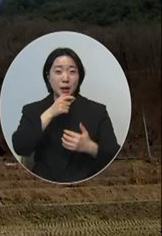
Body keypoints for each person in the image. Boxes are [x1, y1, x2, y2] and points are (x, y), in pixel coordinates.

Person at [11, 47, 120, 183]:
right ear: (48, 76)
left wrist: (89, 147)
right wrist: (50, 113)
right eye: (58, 71)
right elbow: (20, 146)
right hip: (42, 185)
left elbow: (114, 155)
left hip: (86, 185)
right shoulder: (32, 110)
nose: (65, 78)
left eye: (72, 71)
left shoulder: (97, 111)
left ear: (79, 77)